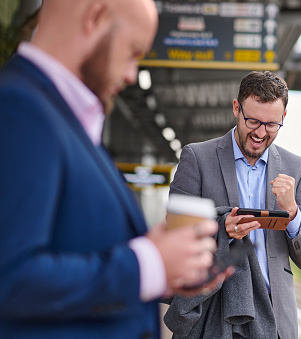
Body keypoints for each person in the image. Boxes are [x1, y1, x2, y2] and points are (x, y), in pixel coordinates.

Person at [0, 0, 228, 337]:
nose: (131, 75)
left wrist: (164, 268)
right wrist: (147, 265)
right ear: (95, 17)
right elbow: (10, 276)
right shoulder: (20, 110)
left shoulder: (60, 118)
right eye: (133, 51)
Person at [164, 71, 301, 338]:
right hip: (211, 310)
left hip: (273, 316)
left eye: (271, 125)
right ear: (237, 108)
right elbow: (175, 235)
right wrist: (220, 228)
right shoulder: (197, 157)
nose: (260, 133)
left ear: (283, 118)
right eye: (253, 121)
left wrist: (292, 213)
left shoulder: (297, 168)